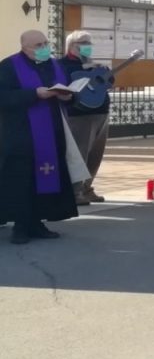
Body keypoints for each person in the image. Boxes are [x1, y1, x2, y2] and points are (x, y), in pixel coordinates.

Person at [0, 31, 77, 244]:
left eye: (45, 43)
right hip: (21, 134)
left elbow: (68, 91)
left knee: (44, 179)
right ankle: (20, 226)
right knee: (22, 181)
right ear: (24, 47)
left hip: (51, 133)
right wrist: (34, 94)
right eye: (38, 45)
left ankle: (37, 223)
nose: (44, 48)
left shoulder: (55, 65)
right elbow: (3, 98)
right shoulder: (9, 66)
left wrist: (68, 97)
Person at [60, 29, 110, 205]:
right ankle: (75, 191)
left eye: (89, 42)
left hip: (101, 112)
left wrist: (103, 72)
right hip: (79, 115)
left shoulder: (93, 64)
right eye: (83, 42)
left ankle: (87, 188)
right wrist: (81, 68)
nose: (87, 46)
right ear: (71, 45)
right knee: (79, 154)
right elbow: (64, 81)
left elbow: (109, 82)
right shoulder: (62, 64)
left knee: (96, 154)